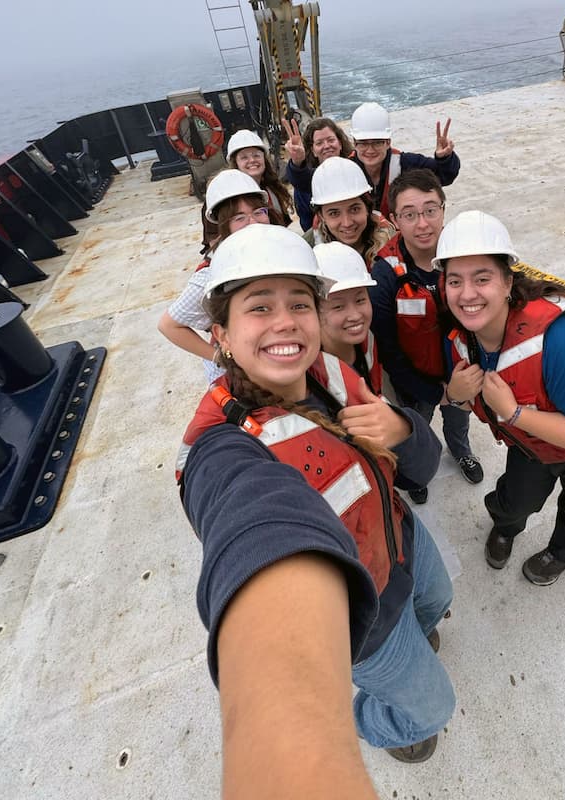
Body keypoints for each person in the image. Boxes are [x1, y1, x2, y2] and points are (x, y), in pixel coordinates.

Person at [177, 224, 456, 769]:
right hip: (367, 617)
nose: (285, 321)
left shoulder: (327, 372)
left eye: (299, 304)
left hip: (403, 539)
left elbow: (423, 467)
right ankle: (382, 722)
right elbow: (244, 521)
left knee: (435, 602)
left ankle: (416, 649)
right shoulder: (225, 445)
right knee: (432, 708)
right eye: (259, 307)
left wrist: (400, 427)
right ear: (222, 336)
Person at [439, 211, 565, 585]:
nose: (467, 294)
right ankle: (505, 529)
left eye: (482, 279)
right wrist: (453, 394)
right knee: (515, 498)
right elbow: (468, 403)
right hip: (532, 445)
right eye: (455, 281)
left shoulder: (559, 342)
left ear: (507, 283)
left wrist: (514, 414)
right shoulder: (460, 340)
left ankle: (561, 553)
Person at [370, 170, 483, 505]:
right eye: (410, 214)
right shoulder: (385, 275)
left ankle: (461, 451)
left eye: (431, 210)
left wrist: (463, 384)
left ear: (444, 210)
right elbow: (389, 352)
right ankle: (418, 471)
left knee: (459, 420)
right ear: (394, 220)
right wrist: (436, 392)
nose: (422, 224)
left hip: (459, 371)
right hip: (412, 379)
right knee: (416, 427)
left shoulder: (464, 255)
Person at [158, 169, 275, 382]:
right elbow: (169, 325)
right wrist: (221, 358)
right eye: (240, 218)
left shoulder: (276, 251)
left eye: (258, 212)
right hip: (239, 380)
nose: (254, 223)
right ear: (225, 226)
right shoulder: (212, 274)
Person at [349, 102, 460, 220]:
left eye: (377, 142)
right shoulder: (345, 169)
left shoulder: (405, 163)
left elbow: (445, 176)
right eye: (363, 143)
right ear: (355, 144)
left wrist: (444, 159)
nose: (370, 150)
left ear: (388, 143)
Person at [314, 241, 382, 394]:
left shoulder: (367, 339)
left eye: (360, 300)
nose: (355, 315)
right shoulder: (310, 374)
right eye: (338, 306)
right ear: (315, 310)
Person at [304, 157, 395, 267]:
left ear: (367, 209)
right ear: (321, 216)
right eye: (334, 213)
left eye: (354, 209)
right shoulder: (305, 251)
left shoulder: (396, 244)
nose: (347, 223)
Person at [282, 117, 354, 231]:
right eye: (319, 143)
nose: (326, 146)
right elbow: (307, 223)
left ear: (340, 144)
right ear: (313, 150)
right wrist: (298, 161)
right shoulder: (304, 186)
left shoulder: (356, 170)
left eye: (331, 140)